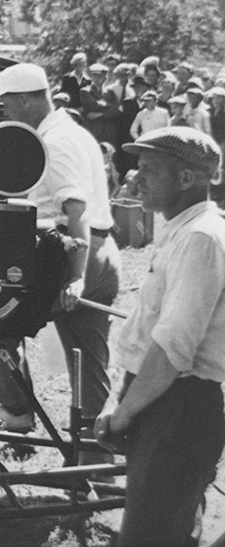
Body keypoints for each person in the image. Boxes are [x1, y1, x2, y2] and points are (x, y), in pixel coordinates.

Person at [94, 127, 225, 547]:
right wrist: (121, 399)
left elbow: (171, 347)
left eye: (150, 169)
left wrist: (124, 413)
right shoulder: (182, 230)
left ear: (186, 178)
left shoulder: (199, 238)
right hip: (164, 400)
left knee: (148, 538)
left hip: (177, 409)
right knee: (172, 530)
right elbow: (148, 333)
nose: (136, 178)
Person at [0, 63, 121, 441]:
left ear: (25, 101)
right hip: (102, 249)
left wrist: (76, 276)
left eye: (7, 104)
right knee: (90, 365)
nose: (6, 113)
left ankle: (16, 411)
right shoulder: (74, 132)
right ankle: (95, 451)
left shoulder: (53, 142)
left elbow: (76, 210)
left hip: (73, 254)